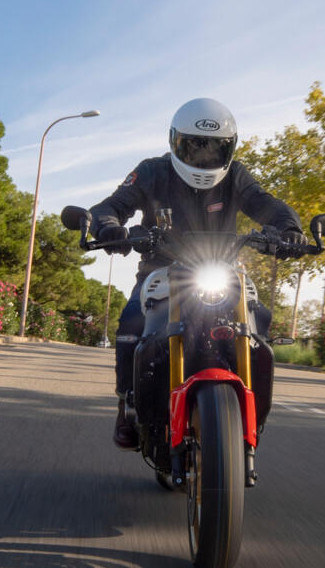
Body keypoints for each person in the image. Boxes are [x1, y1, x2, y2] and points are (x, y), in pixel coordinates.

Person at [89, 97, 302, 448]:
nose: (204, 156)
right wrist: (109, 227)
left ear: (229, 147)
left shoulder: (236, 175)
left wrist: (289, 228)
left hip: (221, 271)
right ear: (175, 141)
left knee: (260, 322)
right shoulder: (152, 172)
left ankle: (251, 414)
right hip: (161, 271)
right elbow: (112, 205)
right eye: (195, 146)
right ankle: (127, 404)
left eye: (214, 148)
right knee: (130, 323)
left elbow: (265, 202)